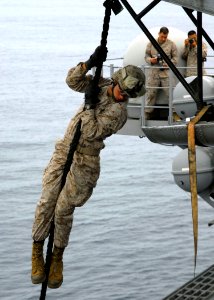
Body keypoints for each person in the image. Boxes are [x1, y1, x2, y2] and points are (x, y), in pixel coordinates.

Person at [31, 46, 146, 289]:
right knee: (46, 202)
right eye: (122, 91)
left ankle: (57, 258)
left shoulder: (120, 114)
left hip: (86, 160)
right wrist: (89, 63)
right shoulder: (102, 85)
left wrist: (90, 105)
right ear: (116, 82)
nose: (122, 96)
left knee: (63, 210)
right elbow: (72, 81)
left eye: (127, 95)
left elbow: (92, 131)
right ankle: (37, 251)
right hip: (65, 151)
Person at [144, 27, 178, 119]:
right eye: (162, 36)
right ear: (159, 33)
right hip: (154, 72)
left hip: (166, 73)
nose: (163, 39)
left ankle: (175, 114)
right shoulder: (151, 43)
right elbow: (146, 56)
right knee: (150, 93)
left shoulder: (171, 44)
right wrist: (151, 60)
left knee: (171, 93)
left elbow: (175, 58)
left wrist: (169, 64)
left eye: (165, 37)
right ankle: (147, 114)